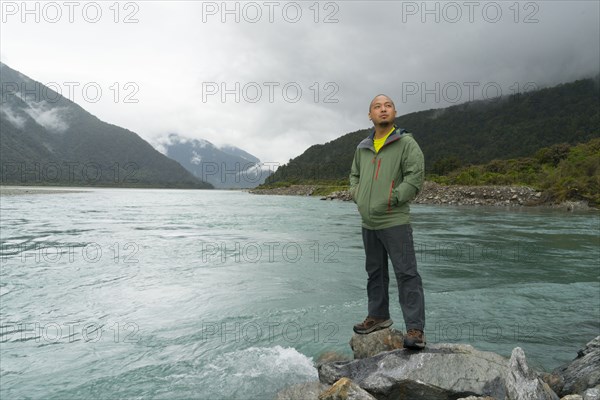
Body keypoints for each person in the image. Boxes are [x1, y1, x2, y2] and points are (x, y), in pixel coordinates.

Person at [349, 94, 426, 350]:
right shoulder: (362, 147)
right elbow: (354, 175)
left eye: (388, 106)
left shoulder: (406, 143)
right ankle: (379, 316)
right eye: (377, 107)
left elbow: (415, 178)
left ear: (394, 113)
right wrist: (358, 195)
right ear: (369, 115)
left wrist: (393, 199)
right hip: (368, 221)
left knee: (406, 274)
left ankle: (415, 329)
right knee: (375, 272)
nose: (383, 110)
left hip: (394, 219)